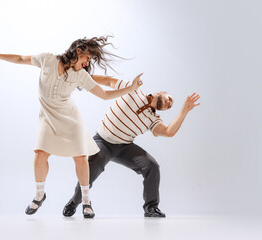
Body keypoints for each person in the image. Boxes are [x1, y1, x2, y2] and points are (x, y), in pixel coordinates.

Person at [0, 36, 143, 218]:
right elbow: (20, 58)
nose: (88, 62)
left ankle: (86, 201)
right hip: (48, 117)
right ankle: (40, 195)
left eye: (90, 61)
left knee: (80, 157)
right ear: (79, 50)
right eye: (87, 58)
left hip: (70, 118)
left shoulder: (80, 75)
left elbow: (104, 95)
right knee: (40, 154)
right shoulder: (47, 59)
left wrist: (130, 88)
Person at [63, 75, 200, 217]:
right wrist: (82, 77)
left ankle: (151, 208)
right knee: (91, 171)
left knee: (152, 166)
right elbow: (108, 81)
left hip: (124, 147)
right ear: (160, 93)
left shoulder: (153, 119)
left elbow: (168, 131)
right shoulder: (133, 90)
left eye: (169, 106)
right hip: (103, 141)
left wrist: (184, 111)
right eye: (169, 99)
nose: (168, 104)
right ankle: (75, 201)